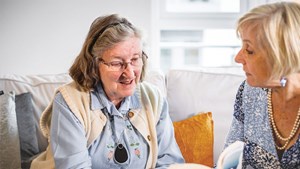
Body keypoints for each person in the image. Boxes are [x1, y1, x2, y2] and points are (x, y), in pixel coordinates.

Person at [30, 14, 184, 169]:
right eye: (117, 63)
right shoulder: (69, 102)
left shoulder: (153, 98)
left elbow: (169, 162)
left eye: (135, 59)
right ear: (94, 64)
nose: (130, 73)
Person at [223, 1, 300, 169]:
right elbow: (229, 159)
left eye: (249, 50)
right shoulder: (248, 92)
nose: (238, 58)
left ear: (282, 55)